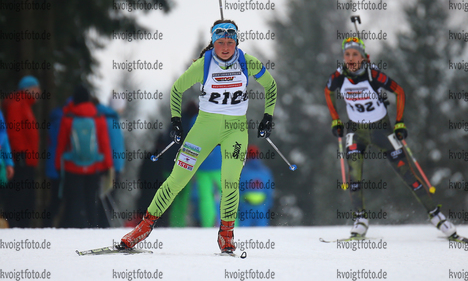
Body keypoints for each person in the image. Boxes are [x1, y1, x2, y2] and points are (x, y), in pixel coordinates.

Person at [119, 19, 277, 254]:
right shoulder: (204, 64)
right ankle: (143, 228)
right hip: (204, 128)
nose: (225, 47)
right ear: (213, 43)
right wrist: (175, 121)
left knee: (230, 182)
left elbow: (270, 85)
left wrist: (268, 116)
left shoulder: (247, 62)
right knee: (176, 180)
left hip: (235, 130)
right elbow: (177, 89)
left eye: (230, 42)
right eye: (220, 42)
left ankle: (226, 234)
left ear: (236, 42)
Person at [324, 37, 456, 239]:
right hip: (356, 131)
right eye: (347, 54)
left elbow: (400, 92)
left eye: (355, 54)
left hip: (381, 130)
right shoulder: (338, 77)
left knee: (407, 173)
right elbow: (327, 91)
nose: (350, 58)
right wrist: (336, 120)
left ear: (363, 57)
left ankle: (436, 215)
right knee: (354, 174)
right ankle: (360, 219)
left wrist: (400, 122)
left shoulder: (373, 74)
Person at [55, 85, 112, 228]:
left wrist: (58, 166)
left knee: (74, 201)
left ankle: (74, 230)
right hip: (94, 166)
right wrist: (107, 165)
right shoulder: (98, 117)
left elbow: (61, 144)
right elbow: (105, 143)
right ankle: (92, 229)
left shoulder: (68, 118)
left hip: (72, 167)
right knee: (91, 201)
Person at [2, 76, 42, 227]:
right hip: (21, 158)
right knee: (20, 196)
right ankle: (14, 227)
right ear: (28, 89)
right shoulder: (18, 103)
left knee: (27, 198)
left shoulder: (24, 104)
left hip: (26, 159)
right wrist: (20, 154)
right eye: (36, 88)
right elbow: (14, 131)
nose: (39, 92)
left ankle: (20, 227)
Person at [238, 145, 274, 227]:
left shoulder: (243, 172)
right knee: (262, 233)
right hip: (261, 206)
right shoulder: (265, 172)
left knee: (243, 233)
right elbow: (269, 190)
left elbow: (238, 190)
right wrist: (268, 205)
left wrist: (239, 206)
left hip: (246, 206)